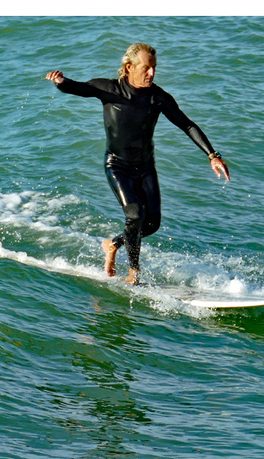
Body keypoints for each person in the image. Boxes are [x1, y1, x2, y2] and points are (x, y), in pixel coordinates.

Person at [46, 42, 230, 284]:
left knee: (152, 224)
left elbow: (187, 124)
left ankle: (112, 244)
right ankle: (134, 272)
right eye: (146, 68)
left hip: (145, 167)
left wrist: (212, 155)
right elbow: (79, 87)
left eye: (154, 67)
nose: (152, 73)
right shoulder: (110, 89)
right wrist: (62, 82)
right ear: (129, 66)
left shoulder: (158, 98)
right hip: (117, 166)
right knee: (135, 214)